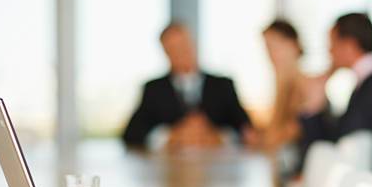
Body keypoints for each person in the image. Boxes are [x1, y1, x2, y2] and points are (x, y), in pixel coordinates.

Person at [299, 13, 372, 178]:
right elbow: (339, 137)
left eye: (332, 44)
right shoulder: (365, 87)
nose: (329, 51)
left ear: (349, 45)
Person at [122, 22, 252, 149]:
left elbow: (245, 129)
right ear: (165, 52)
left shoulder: (223, 85)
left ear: (193, 44)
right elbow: (132, 134)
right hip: (170, 167)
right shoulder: (153, 89)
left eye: (183, 45)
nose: (180, 53)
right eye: (173, 48)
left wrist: (219, 136)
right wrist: (170, 136)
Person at [256, 19, 305, 150]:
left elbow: (289, 132)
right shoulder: (283, 86)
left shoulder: (303, 86)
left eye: (275, 46)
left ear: (294, 45)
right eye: (267, 48)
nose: (271, 54)